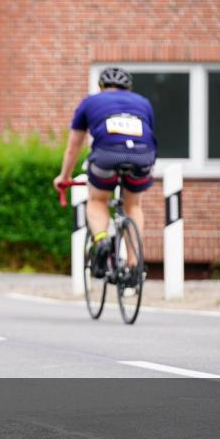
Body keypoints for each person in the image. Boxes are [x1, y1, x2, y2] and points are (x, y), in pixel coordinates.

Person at [53, 67, 157, 283]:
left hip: (107, 157)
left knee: (97, 200)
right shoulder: (143, 103)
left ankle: (101, 241)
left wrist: (64, 177)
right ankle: (134, 266)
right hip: (143, 156)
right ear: (128, 88)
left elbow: (73, 147)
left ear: (101, 87)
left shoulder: (90, 102)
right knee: (133, 206)